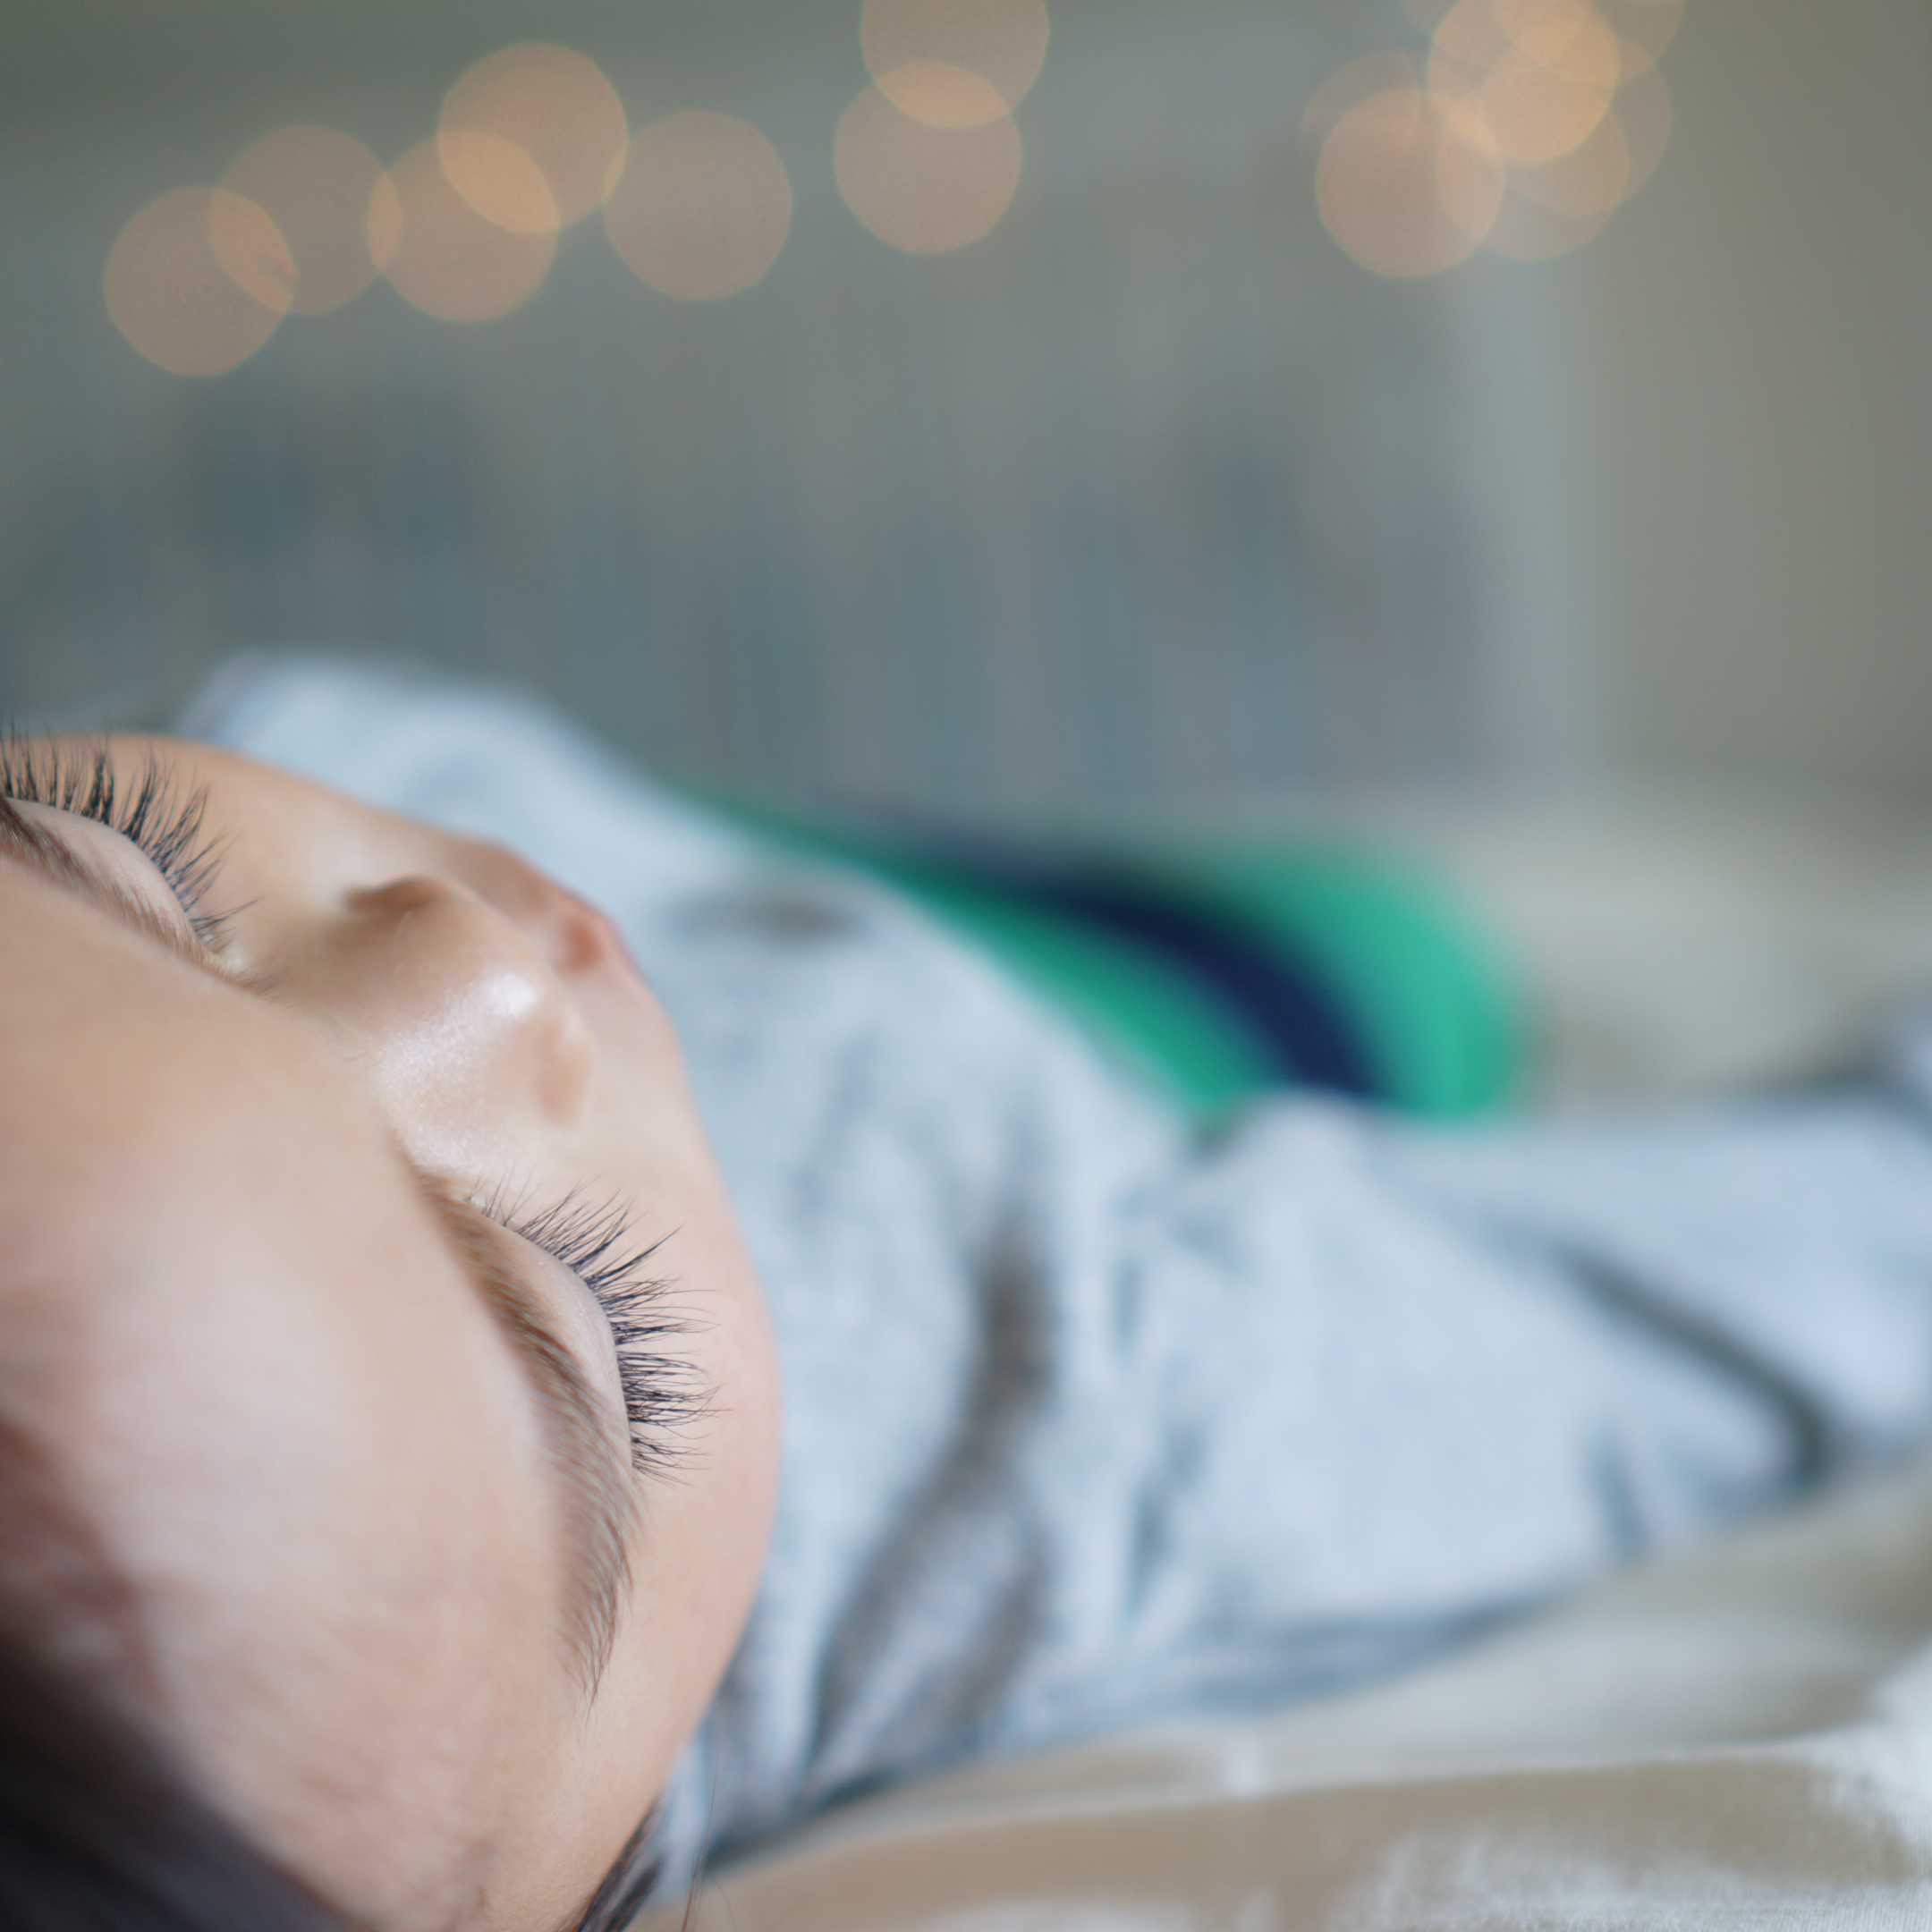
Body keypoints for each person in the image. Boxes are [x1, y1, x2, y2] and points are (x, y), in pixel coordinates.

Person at [8, 655, 1932, 1932]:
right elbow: (1665, 1319)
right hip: (1254, 1004)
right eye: (583, 1311)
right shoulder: (1064, 1425)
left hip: (767, 879)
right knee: (1396, 953)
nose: (482, 972)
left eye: (127, 853)